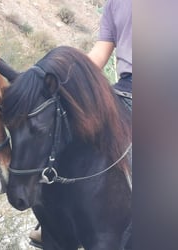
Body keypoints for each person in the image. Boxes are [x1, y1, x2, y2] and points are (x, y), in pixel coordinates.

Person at [28, 0, 132, 247]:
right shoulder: (116, 4)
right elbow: (99, 55)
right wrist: (63, 79)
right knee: (72, 121)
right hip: (126, 87)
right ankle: (53, 219)